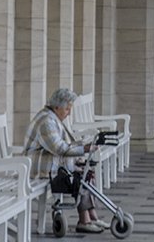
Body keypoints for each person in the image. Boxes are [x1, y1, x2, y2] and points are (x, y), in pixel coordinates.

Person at [23, 88, 108, 234]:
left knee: (85, 172)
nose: (69, 113)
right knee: (79, 176)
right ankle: (85, 219)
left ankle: (91, 215)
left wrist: (80, 152)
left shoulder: (52, 117)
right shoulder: (47, 121)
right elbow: (58, 147)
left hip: (51, 164)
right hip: (40, 168)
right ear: (57, 107)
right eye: (67, 109)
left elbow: (63, 145)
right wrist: (83, 149)